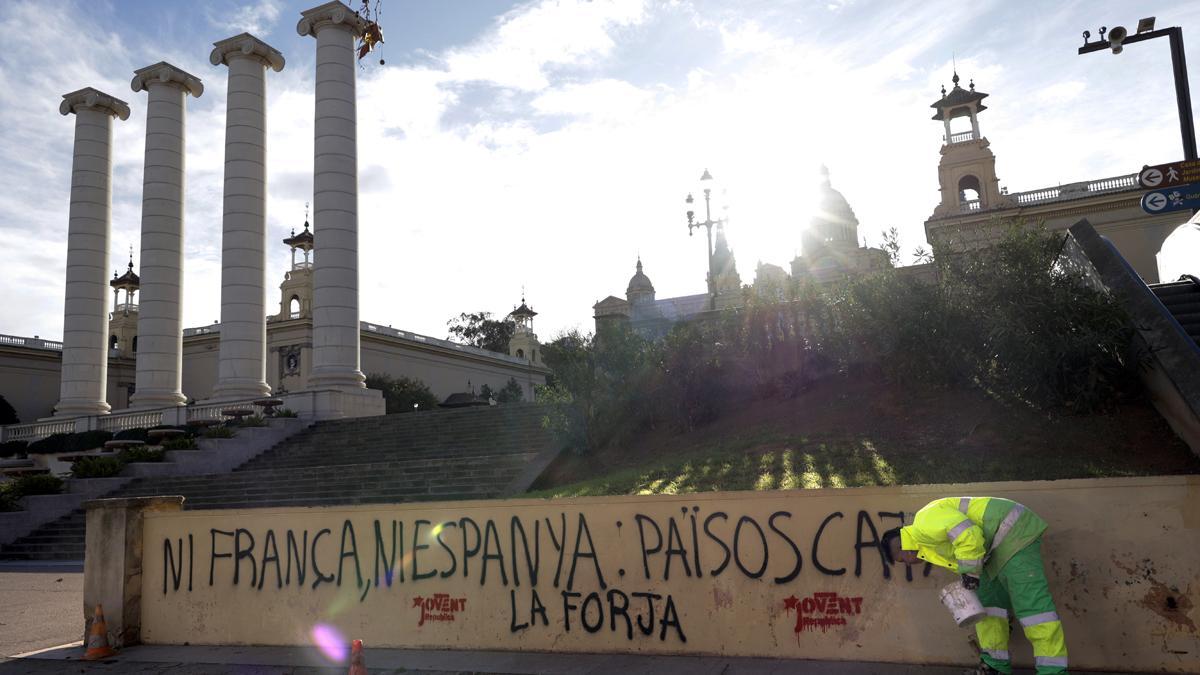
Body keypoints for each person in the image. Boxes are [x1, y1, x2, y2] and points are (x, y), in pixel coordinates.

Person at [881, 497, 1068, 675]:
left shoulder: (923, 523)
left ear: (901, 548)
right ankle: (995, 666)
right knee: (988, 608)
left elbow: (967, 534)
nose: (906, 563)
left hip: (1012, 532)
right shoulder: (926, 547)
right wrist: (970, 575)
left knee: (1034, 611)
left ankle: (1052, 671)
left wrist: (969, 573)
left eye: (901, 560)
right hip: (992, 550)